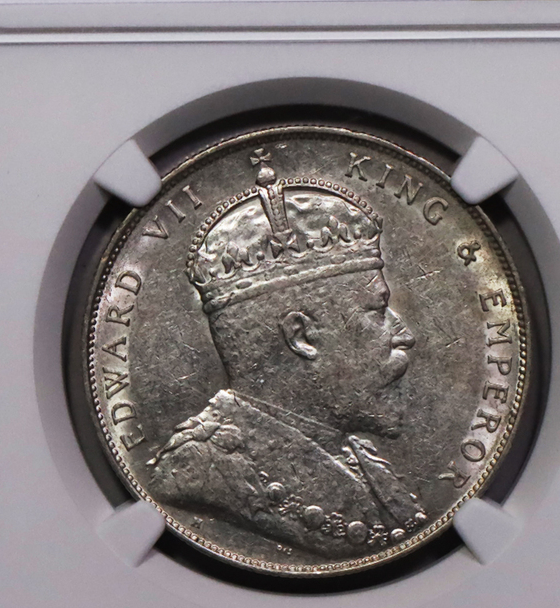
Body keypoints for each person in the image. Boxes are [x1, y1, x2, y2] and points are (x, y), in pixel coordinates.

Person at [148, 148, 427, 557]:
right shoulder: (196, 475)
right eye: (378, 311)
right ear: (302, 337)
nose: (405, 335)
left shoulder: (359, 458)